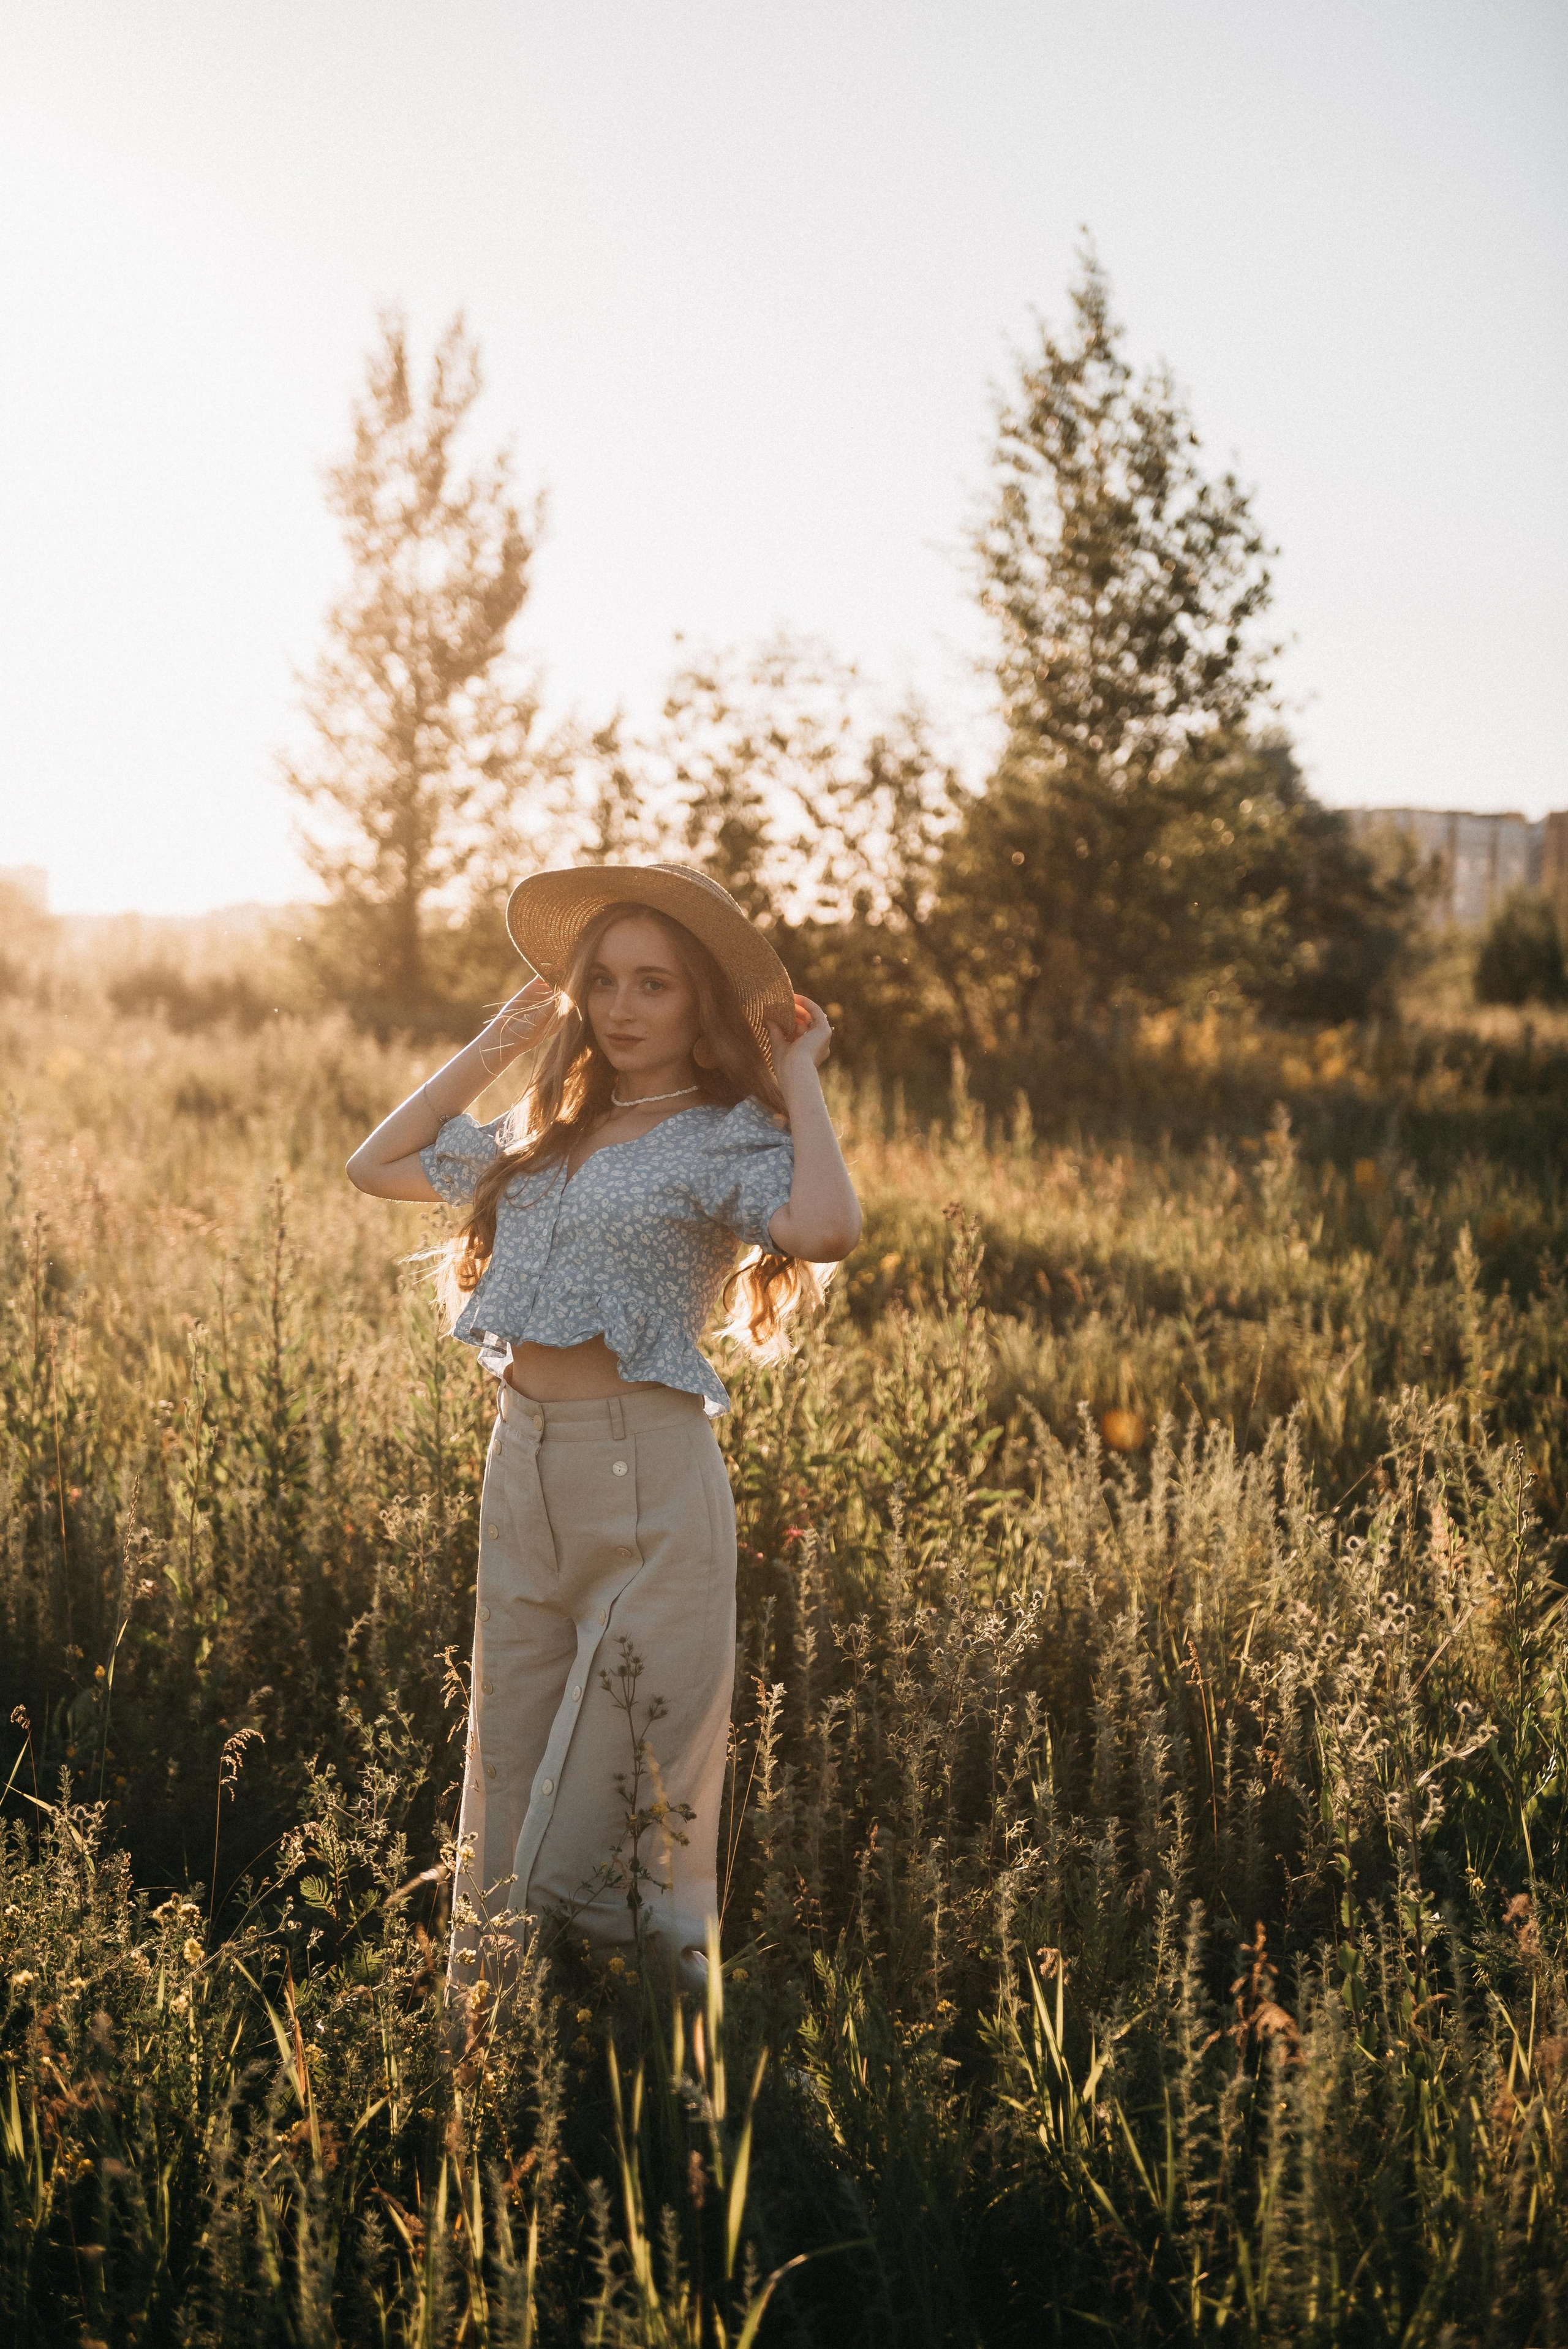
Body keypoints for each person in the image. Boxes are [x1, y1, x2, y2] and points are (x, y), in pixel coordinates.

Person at [347, 863, 861, 1998]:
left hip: (651, 1484)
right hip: (522, 1467)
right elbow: (373, 1164)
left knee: (610, 1802)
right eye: (605, 981)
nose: (623, 1008)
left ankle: (657, 2057)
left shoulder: (723, 1136)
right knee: (504, 1773)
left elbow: (826, 1228)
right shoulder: (544, 1126)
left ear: (699, 1003)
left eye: (655, 985)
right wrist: (501, 1038)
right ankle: (487, 2053)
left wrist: (797, 1074)